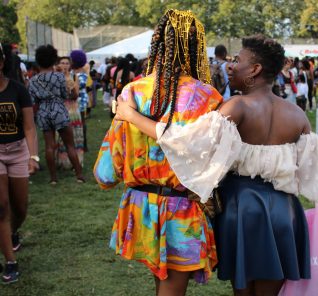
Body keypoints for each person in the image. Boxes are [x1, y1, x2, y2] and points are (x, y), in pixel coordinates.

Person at [115, 35, 318, 295]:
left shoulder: (238, 106)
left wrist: (131, 116)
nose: (231, 65)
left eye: (238, 60)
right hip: (286, 212)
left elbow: (185, 141)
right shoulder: (296, 114)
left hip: (243, 208)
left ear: (255, 70)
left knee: (243, 291)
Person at [94, 9, 222, 296]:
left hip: (141, 209)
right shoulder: (206, 97)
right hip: (181, 211)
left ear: (158, 46)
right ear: (195, 48)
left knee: (162, 286)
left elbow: (105, 171)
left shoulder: (131, 92)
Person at [0, 43, 39, 283]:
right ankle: (10, 261)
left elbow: (29, 126)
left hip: (18, 152)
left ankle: (12, 232)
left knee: (20, 206)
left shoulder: (17, 90)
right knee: (2, 207)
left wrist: (33, 156)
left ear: (1, 63)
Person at [28, 45, 84, 184]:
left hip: (43, 112)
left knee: (49, 146)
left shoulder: (33, 80)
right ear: (54, 60)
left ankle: (53, 178)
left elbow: (33, 100)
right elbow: (65, 95)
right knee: (69, 145)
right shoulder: (59, 77)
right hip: (59, 110)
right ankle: (79, 176)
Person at [55, 57, 84, 169]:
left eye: (67, 63)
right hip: (60, 109)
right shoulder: (55, 77)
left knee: (75, 135)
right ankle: (62, 162)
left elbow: (76, 95)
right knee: (60, 137)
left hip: (73, 110)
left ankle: (75, 161)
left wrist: (71, 89)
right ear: (58, 64)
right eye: (62, 63)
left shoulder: (74, 76)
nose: (65, 65)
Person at [70, 50, 89, 151]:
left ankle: (84, 144)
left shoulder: (82, 73)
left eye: (71, 60)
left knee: (81, 122)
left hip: (80, 100)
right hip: (75, 99)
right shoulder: (73, 72)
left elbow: (81, 85)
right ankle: (78, 142)